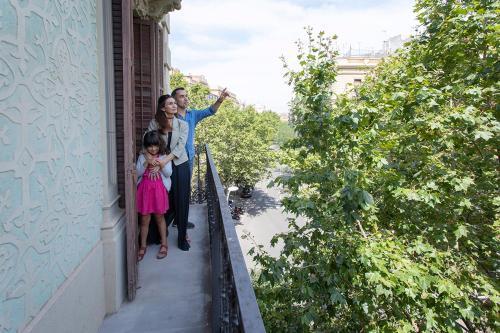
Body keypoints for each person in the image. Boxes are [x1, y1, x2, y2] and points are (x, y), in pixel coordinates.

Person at [171, 87, 231, 229]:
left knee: (185, 190)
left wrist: (220, 99)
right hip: (172, 158)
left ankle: (181, 221)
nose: (186, 99)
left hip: (189, 158)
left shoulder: (193, 115)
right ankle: (174, 218)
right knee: (172, 190)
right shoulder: (170, 116)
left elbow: (210, 111)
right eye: (181, 96)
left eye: (186, 96)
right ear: (174, 99)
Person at [147, 95, 191, 251]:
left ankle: (182, 238)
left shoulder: (183, 124)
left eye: (174, 103)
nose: (174, 105)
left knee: (182, 201)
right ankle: (158, 234)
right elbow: (147, 142)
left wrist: (165, 161)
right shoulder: (155, 122)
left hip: (180, 164)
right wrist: (150, 158)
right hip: (161, 165)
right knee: (165, 200)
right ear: (162, 107)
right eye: (170, 103)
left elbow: (180, 147)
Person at [136, 130, 172, 261]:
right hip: (145, 191)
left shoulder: (164, 157)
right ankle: (143, 246)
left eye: (155, 145)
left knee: (159, 218)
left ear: (159, 145)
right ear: (146, 146)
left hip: (158, 191)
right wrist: (146, 164)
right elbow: (137, 174)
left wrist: (160, 165)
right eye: (150, 146)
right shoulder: (142, 157)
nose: (153, 149)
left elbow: (168, 174)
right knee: (144, 220)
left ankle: (164, 244)